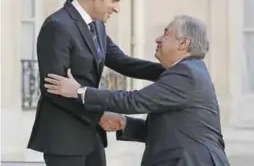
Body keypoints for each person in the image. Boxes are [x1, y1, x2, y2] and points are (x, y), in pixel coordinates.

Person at [44, 15, 230, 166]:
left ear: (184, 43)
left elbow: (134, 101)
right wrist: (125, 123)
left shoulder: (186, 73)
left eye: (166, 34)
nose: (158, 39)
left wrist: (80, 91)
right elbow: (169, 130)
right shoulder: (189, 71)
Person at [28, 0, 165, 166]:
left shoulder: (97, 26)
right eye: (114, 0)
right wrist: (99, 115)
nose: (117, 8)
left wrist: (171, 71)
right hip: (64, 139)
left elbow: (123, 62)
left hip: (92, 136)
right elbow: (54, 89)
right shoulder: (58, 26)